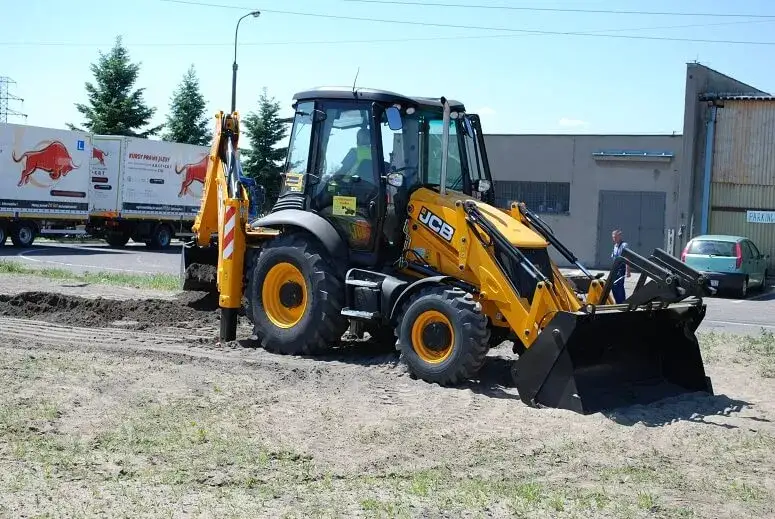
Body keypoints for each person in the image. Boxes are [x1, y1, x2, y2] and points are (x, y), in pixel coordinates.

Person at [611, 229, 631, 303]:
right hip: (615, 269)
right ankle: (617, 302)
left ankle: (622, 302)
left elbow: (627, 258)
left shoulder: (624, 245)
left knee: (619, 286)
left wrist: (627, 271)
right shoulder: (615, 246)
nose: (614, 239)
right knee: (613, 286)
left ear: (619, 236)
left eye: (615, 237)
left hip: (621, 269)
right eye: (613, 237)